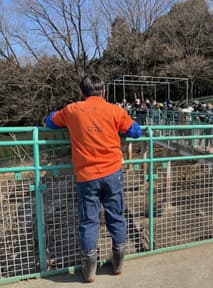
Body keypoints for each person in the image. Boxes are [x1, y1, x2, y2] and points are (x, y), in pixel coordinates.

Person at [45, 74, 142, 282]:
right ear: (103, 92)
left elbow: (50, 121)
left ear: (82, 92)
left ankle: (89, 271)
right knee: (116, 215)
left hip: (86, 176)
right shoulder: (115, 110)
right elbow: (136, 131)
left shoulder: (72, 110)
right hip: (113, 173)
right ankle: (117, 264)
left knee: (89, 220)